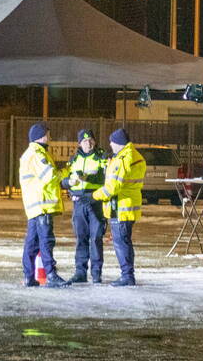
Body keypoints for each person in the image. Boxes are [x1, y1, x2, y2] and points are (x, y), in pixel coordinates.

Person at [20, 122, 72, 288]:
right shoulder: (37, 153)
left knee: (33, 242)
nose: (50, 137)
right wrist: (68, 175)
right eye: (48, 134)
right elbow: (49, 175)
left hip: (35, 205)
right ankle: (50, 274)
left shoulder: (33, 153)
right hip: (42, 204)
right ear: (41, 136)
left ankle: (29, 277)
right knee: (46, 240)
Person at [93, 128, 147, 286]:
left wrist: (93, 196)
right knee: (125, 241)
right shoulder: (132, 155)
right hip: (128, 205)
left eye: (112, 141)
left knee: (121, 242)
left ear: (118, 143)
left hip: (121, 207)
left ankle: (127, 276)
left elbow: (112, 187)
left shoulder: (123, 159)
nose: (110, 144)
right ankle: (127, 274)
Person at [62, 128, 108, 283]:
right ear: (79, 143)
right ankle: (80, 273)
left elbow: (107, 179)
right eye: (85, 141)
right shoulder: (73, 159)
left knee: (96, 238)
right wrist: (67, 183)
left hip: (95, 202)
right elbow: (65, 179)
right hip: (79, 202)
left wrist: (88, 178)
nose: (88, 143)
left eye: (91, 140)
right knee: (81, 238)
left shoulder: (102, 157)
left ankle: (96, 274)